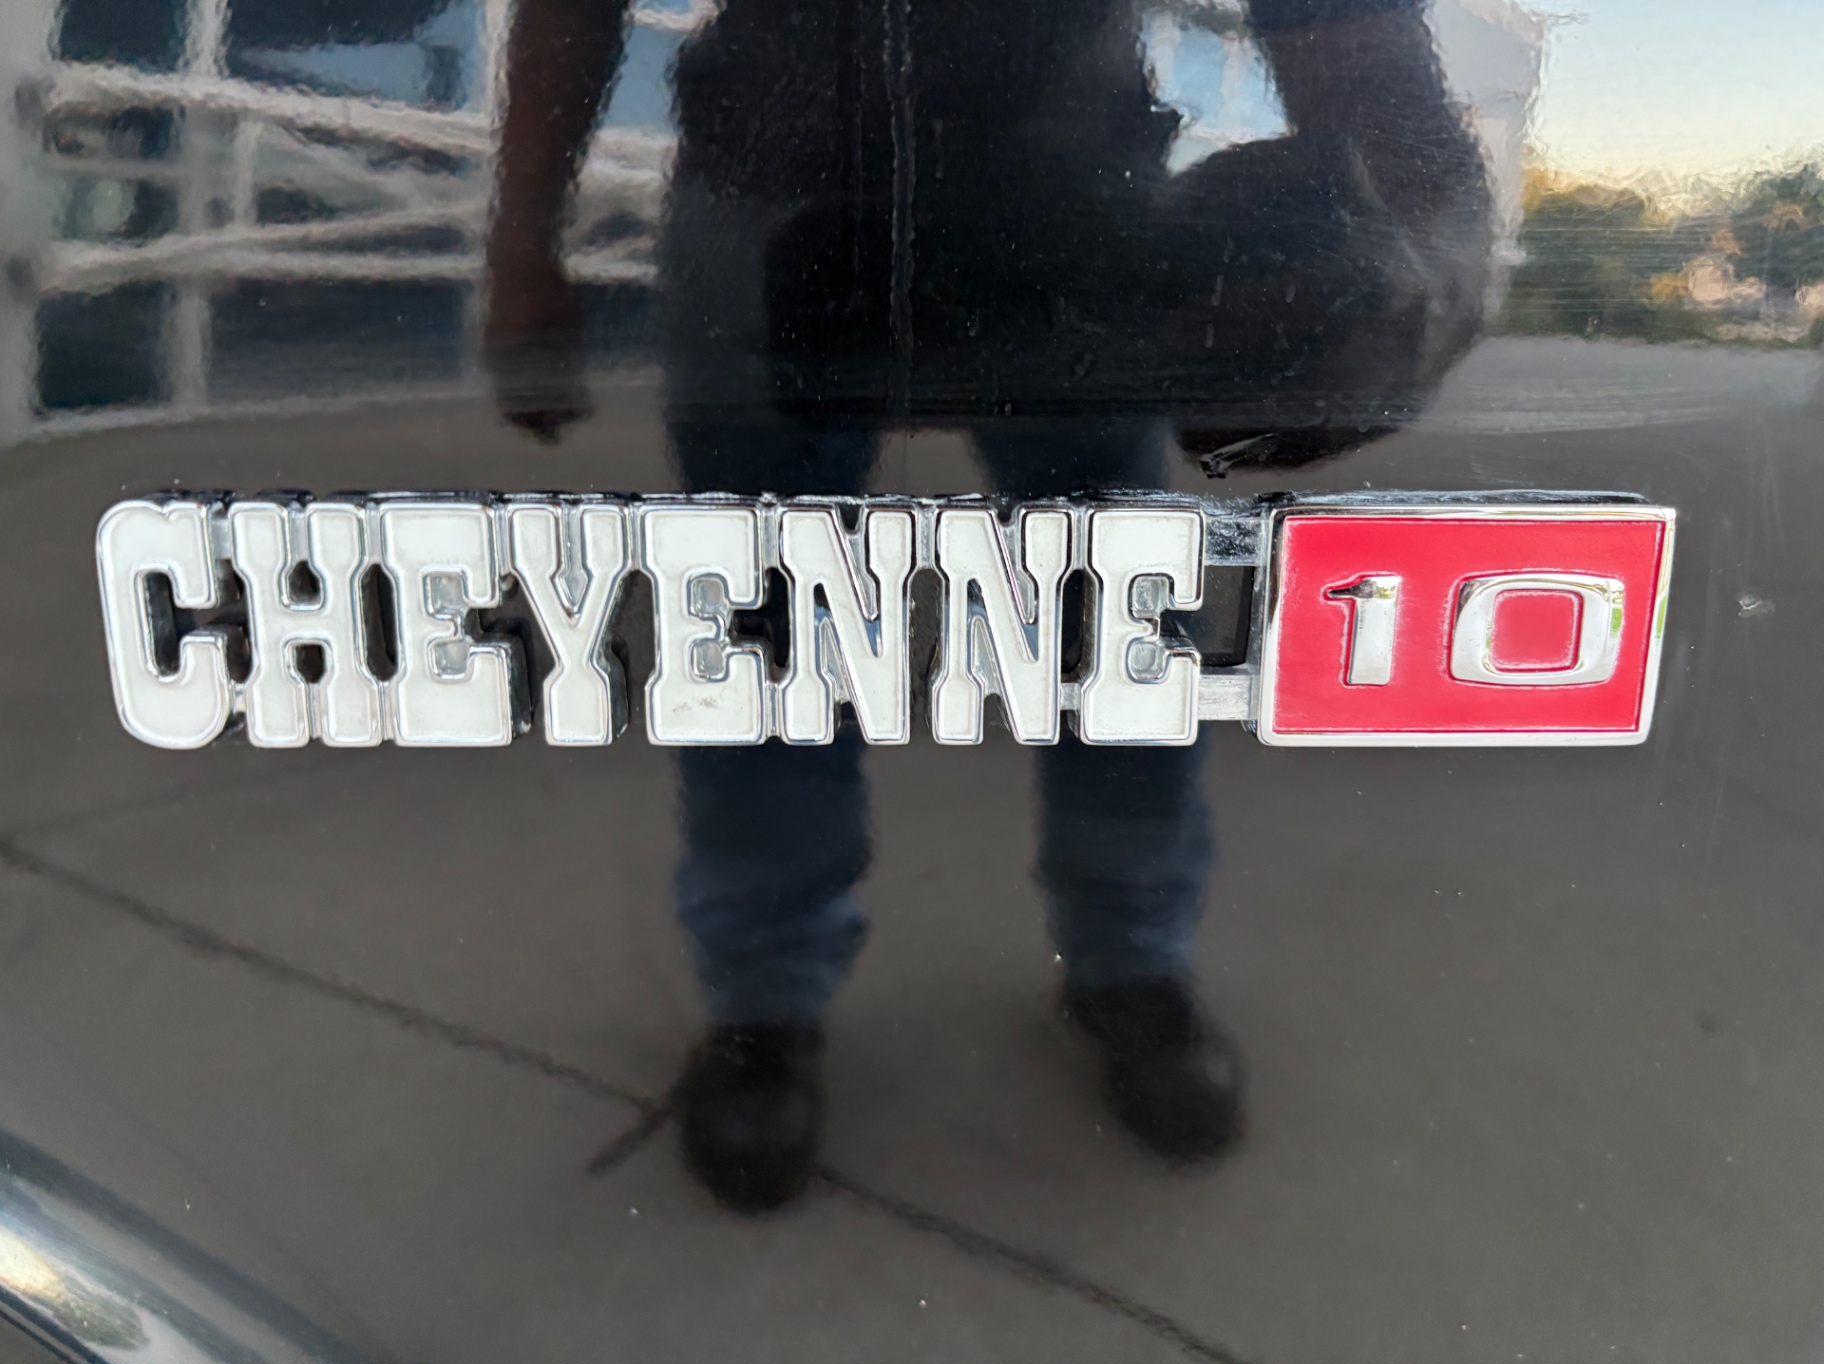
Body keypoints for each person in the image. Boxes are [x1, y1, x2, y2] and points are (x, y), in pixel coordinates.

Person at [485, 0, 1490, 1211]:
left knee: (1108, 625)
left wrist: (1422, 217)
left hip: (1061, 203)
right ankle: (771, 998)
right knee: (769, 628)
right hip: (787, 192)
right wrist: (521, 240)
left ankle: (1125, 962)